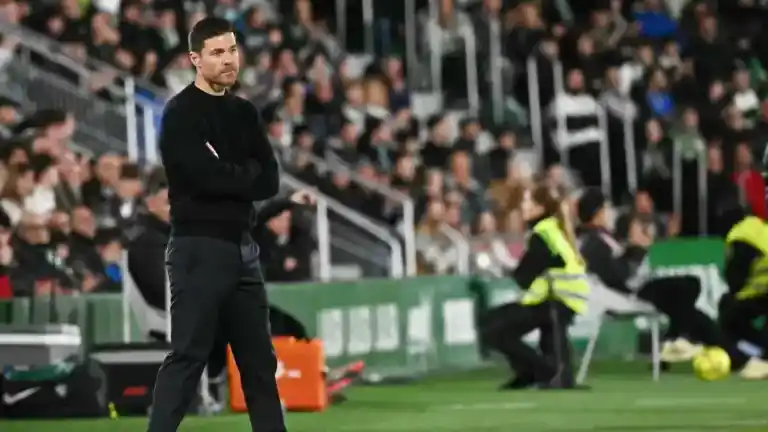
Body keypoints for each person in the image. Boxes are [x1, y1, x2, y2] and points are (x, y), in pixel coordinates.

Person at [148, 17, 283, 432]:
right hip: (198, 248)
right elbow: (205, 178)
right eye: (217, 52)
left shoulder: (244, 112)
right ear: (195, 59)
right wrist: (243, 175)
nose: (228, 60)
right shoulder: (180, 113)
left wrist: (231, 175)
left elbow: (270, 180)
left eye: (233, 50)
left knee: (259, 364)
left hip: (243, 250)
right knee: (188, 357)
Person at [576, 188, 725, 363]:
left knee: (686, 303)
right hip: (629, 293)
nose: (611, 213)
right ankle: (677, 340)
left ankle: (680, 341)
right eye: (607, 208)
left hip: (638, 286)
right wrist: (637, 249)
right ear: (598, 212)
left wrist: (633, 249)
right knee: (687, 289)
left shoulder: (604, 237)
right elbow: (619, 275)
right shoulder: (593, 242)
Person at [478, 183, 589, 390]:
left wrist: (501, 263)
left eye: (528, 201)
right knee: (499, 325)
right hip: (564, 299)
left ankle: (539, 371)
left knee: (491, 327)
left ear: (540, 208)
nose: (523, 205)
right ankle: (536, 372)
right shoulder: (552, 229)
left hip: (555, 301)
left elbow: (524, 277)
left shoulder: (542, 234)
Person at [716, 200, 768, 379]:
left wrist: (733, 293)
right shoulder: (760, 227)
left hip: (761, 293)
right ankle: (760, 353)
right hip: (762, 292)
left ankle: (743, 356)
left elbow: (736, 276)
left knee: (729, 314)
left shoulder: (742, 234)